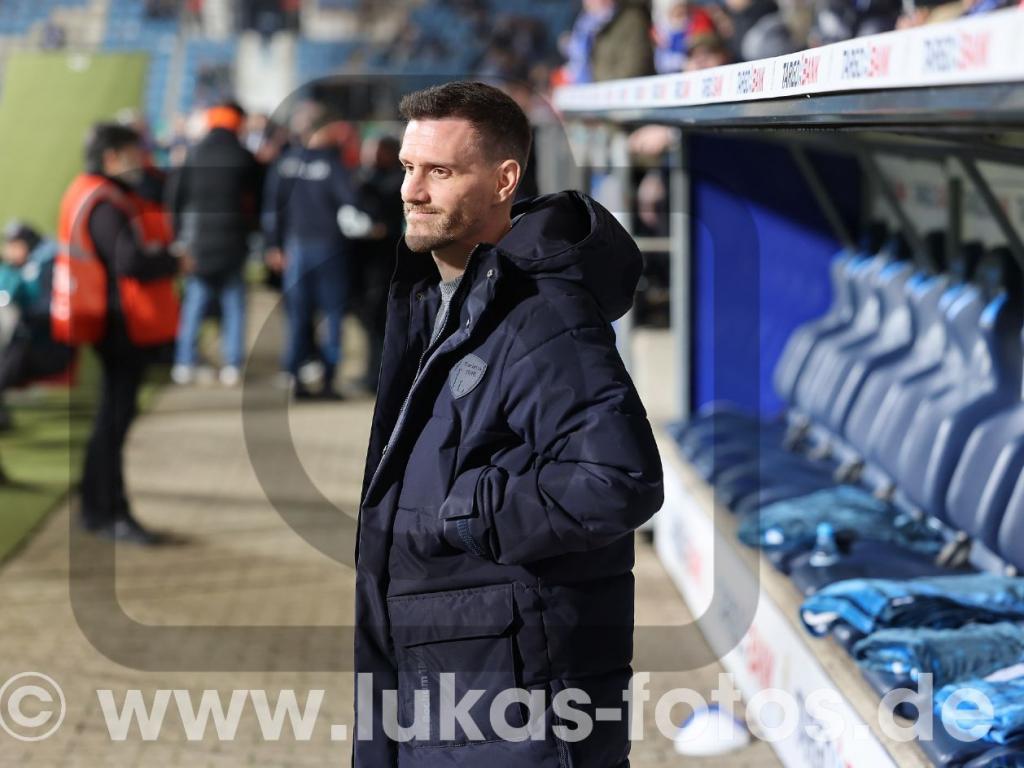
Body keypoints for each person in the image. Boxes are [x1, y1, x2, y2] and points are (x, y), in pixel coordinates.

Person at [353, 81, 664, 767]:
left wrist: (465, 513)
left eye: (440, 172)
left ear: (504, 181)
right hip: (453, 690)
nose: (411, 191)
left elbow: (620, 479)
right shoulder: (442, 299)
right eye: (408, 167)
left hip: (519, 719)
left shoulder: (542, 315)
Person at [56, 123, 180, 544]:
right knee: (113, 422)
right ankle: (110, 512)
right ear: (111, 157)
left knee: (110, 421)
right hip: (118, 325)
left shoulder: (93, 192)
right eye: (133, 152)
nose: (141, 159)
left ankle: (97, 508)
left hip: (105, 319)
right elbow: (130, 261)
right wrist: (174, 260)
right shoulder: (105, 201)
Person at [262, 117, 369, 400]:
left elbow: (271, 207)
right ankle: (328, 380)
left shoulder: (285, 162)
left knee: (297, 315)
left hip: (295, 248)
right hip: (330, 248)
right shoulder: (333, 164)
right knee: (332, 315)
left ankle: (295, 375)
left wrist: (273, 246)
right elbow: (352, 201)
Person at [168, 103, 262, 387]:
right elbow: (256, 202)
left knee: (195, 303)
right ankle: (232, 365)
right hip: (233, 242)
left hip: (198, 243)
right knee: (233, 304)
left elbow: (175, 198)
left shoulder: (194, 154)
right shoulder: (244, 156)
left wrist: (178, 237)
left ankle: (184, 362)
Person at [0, 222, 72, 431]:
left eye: (15, 245)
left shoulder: (47, 266)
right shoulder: (24, 267)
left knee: (15, 350)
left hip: (49, 347)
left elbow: (49, 309)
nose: (9, 250)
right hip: (31, 342)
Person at [351, 135, 404, 393]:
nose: (369, 156)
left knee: (382, 321)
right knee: (371, 320)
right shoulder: (368, 177)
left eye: (375, 151)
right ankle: (373, 373)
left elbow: (386, 205)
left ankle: (380, 376)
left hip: (387, 263)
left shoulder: (397, 181)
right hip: (368, 262)